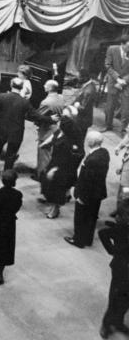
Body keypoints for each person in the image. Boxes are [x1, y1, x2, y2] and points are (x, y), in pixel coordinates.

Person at [66, 130, 110, 248]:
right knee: (91, 218)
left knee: (80, 218)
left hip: (87, 194)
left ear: (91, 141)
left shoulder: (91, 160)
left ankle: (78, 240)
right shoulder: (104, 153)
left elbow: (88, 181)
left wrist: (81, 197)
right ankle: (87, 239)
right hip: (98, 193)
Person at [0, 79, 33, 173]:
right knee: (11, 153)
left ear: (11, 84)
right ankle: (7, 172)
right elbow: (34, 115)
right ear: (21, 87)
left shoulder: (2, 96)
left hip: (2, 128)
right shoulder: (25, 102)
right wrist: (49, 119)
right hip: (17, 130)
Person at [100, 199, 129, 338]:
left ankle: (118, 322)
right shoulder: (121, 228)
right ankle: (106, 325)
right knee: (115, 299)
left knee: (126, 300)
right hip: (120, 269)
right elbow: (103, 233)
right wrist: (112, 250)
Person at [103, 39, 129, 133]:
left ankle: (123, 129)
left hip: (127, 83)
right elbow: (108, 65)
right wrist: (117, 79)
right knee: (110, 106)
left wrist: (124, 81)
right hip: (114, 81)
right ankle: (108, 126)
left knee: (126, 108)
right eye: (128, 46)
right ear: (122, 44)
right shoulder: (112, 49)